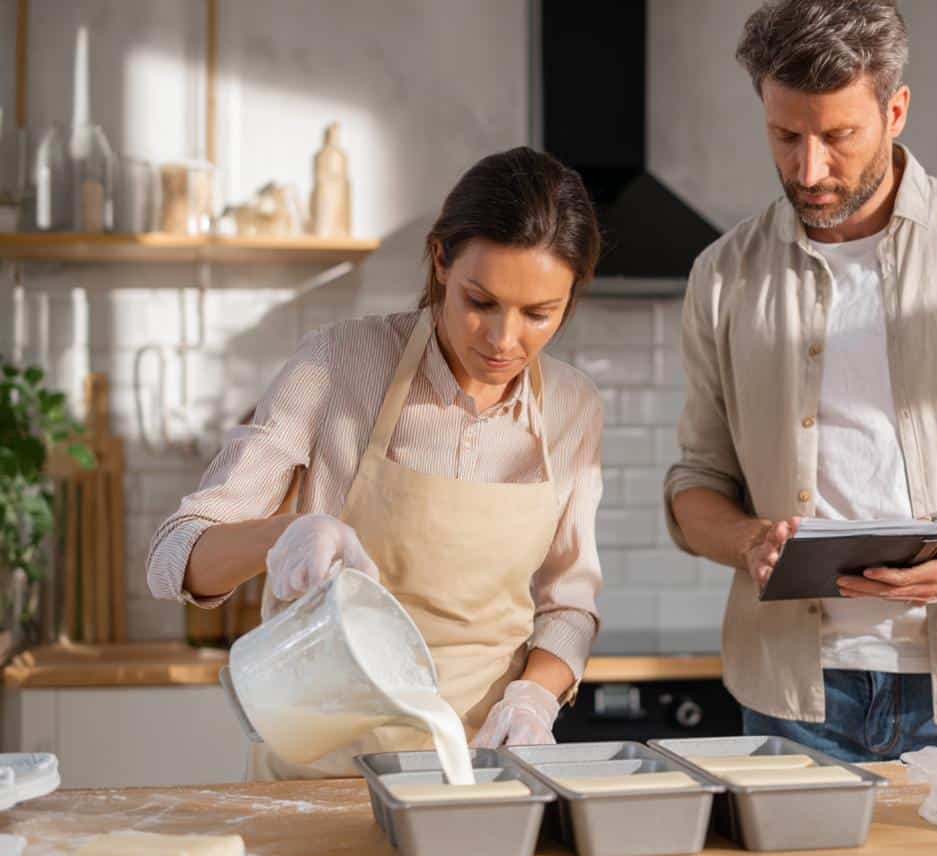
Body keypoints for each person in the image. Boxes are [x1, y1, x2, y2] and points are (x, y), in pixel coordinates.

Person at [664, 0, 937, 761]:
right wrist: (749, 543)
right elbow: (696, 481)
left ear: (895, 110)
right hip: (791, 697)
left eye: (838, 136)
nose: (809, 170)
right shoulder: (723, 276)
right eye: (785, 136)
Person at [147, 147, 605, 779]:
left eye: (538, 315)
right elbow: (173, 555)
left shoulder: (574, 407)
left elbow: (569, 604)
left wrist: (534, 697)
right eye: (480, 301)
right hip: (319, 770)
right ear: (440, 260)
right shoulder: (337, 364)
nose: (503, 340)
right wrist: (287, 533)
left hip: (472, 772)